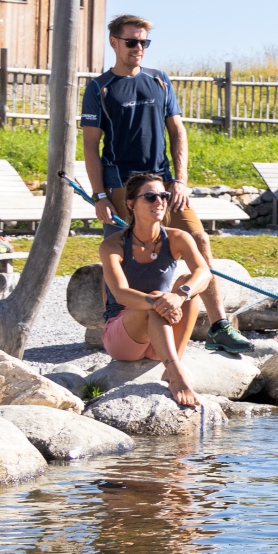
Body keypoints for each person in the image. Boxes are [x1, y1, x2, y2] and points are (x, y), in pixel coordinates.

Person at [80, 13, 253, 356]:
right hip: (122, 186)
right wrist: (99, 195)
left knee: (199, 240)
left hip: (164, 184)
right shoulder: (99, 88)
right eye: (132, 41)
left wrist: (181, 180)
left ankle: (219, 325)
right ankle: (116, 327)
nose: (139, 48)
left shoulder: (159, 81)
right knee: (120, 250)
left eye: (144, 42)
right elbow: (89, 147)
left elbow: (178, 132)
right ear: (114, 42)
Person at [99, 171, 209, 409]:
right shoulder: (113, 245)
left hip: (159, 335)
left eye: (164, 196)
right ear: (131, 204)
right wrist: (160, 302)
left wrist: (179, 296)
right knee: (157, 301)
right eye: (150, 197)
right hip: (123, 336)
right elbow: (119, 293)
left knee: (189, 283)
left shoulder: (178, 237)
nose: (159, 202)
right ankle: (177, 374)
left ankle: (172, 364)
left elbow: (204, 272)